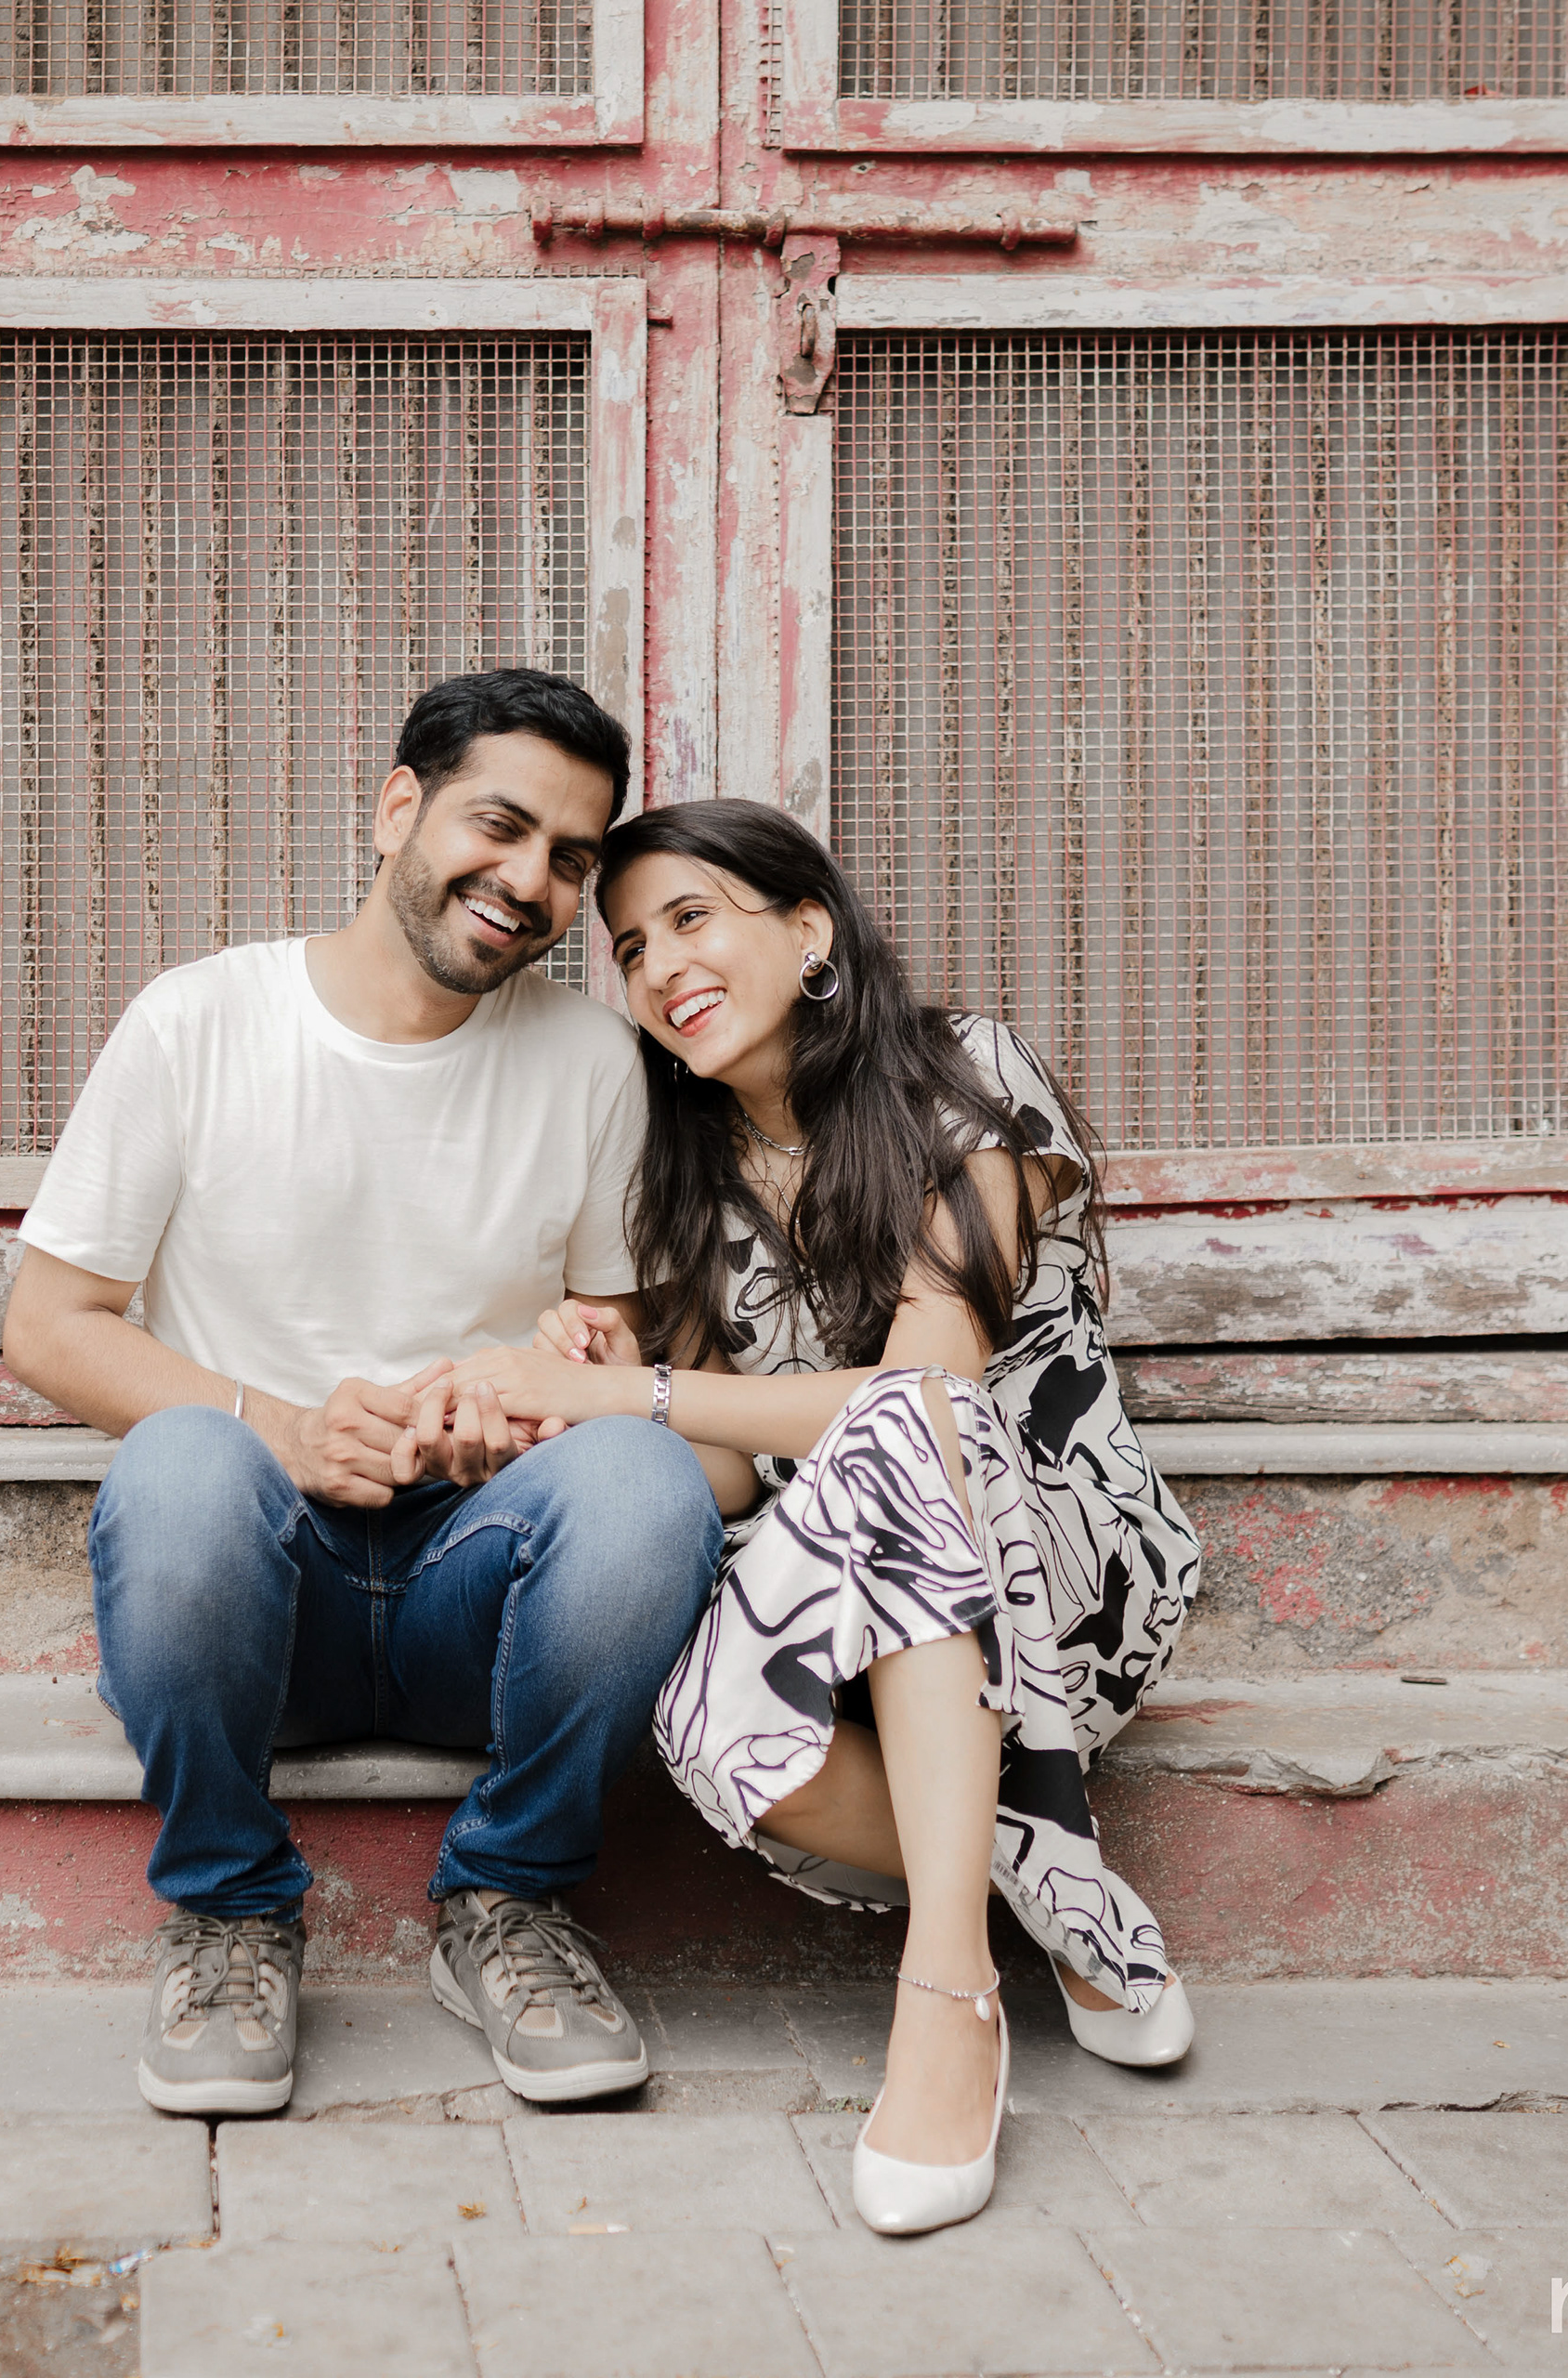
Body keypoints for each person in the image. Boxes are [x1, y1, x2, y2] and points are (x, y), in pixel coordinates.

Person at [411, 797, 1201, 2233]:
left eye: (692, 920)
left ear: (810, 930)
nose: (660, 969)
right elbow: (724, 1473)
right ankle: (1053, 1871)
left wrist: (633, 1391)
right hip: (863, 1625)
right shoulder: (684, 1175)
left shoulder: (964, 1077)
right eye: (631, 948)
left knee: (903, 1427)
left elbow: (930, 1391)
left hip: (1057, 1579)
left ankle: (949, 1997)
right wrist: (598, 1391)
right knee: (696, 1709)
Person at [3, 669, 725, 2120]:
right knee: (182, 1467)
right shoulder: (198, 1022)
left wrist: (546, 1397)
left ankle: (508, 1898)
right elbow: (48, 1326)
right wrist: (280, 1430)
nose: (527, 882)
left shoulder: (594, 1061)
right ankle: (230, 1910)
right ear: (400, 807)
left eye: (569, 859)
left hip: (486, 1594)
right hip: (265, 1605)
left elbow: (628, 1346)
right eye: (498, 826)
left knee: (647, 1479)